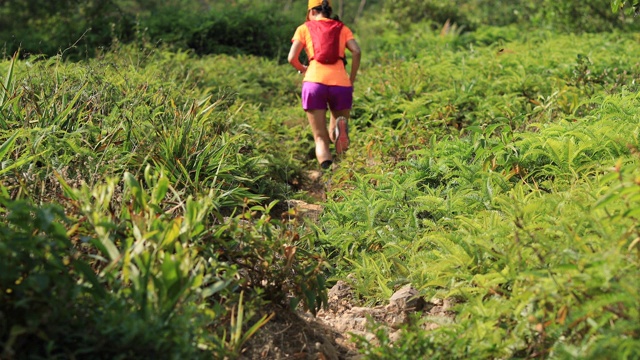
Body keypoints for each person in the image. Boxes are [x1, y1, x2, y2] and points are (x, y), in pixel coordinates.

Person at [288, 0, 361, 170]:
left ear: (311, 12)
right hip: (341, 84)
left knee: (319, 137)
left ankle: (327, 171)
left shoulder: (304, 28)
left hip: (314, 83)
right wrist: (351, 79)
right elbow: (357, 51)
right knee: (337, 125)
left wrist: (303, 68)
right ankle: (341, 158)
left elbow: (292, 58)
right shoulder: (342, 28)